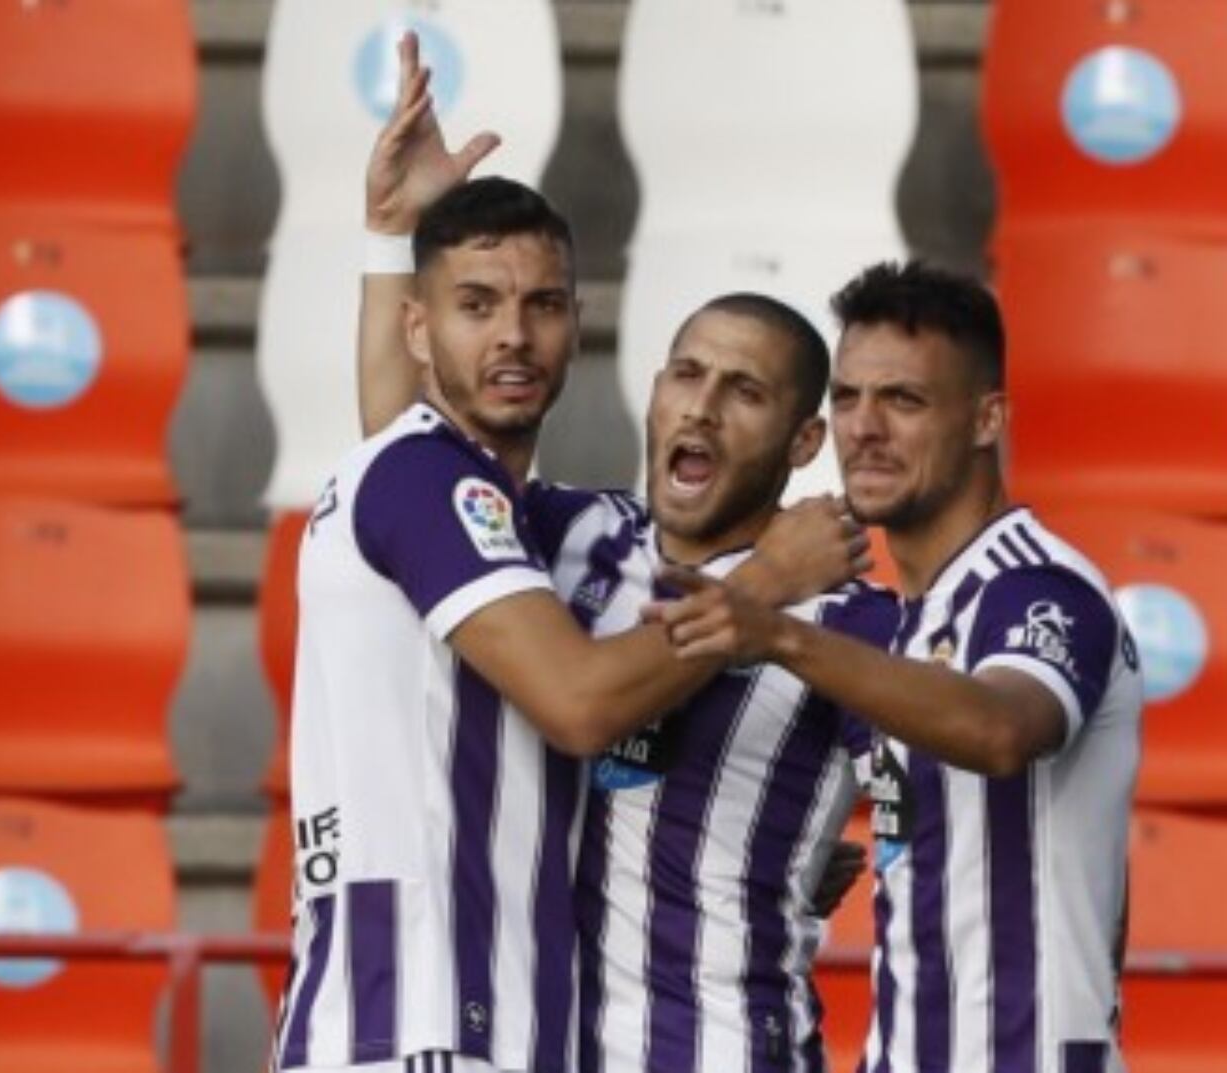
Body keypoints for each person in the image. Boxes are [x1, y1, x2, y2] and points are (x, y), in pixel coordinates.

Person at [347, 31, 893, 1073]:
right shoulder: (571, 539)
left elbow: (989, 790)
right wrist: (392, 237)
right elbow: (404, 454)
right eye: (684, 373)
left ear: (802, 440)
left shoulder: (847, 616)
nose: (700, 405)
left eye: (743, 390)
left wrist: (814, 856)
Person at [652, 262, 1145, 1073]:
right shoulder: (894, 624)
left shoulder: (1042, 587)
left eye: (903, 401)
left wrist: (776, 632)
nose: (865, 428)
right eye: (847, 398)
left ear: (987, 419)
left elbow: (998, 729)